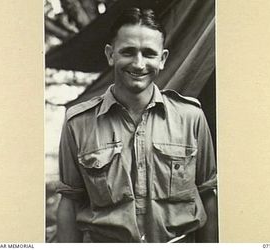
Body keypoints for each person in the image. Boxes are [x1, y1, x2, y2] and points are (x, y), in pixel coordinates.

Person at [56, 7, 217, 243]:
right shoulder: (78, 123)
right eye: (128, 52)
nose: (139, 64)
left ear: (162, 59)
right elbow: (69, 203)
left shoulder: (190, 117)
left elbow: (207, 195)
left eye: (149, 53)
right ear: (111, 55)